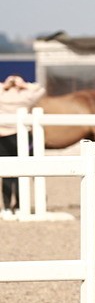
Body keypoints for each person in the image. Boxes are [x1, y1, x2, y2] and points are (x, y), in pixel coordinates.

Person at [1, 75, 46, 211]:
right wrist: (24, 85)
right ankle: (20, 205)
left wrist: (5, 85)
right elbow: (40, 89)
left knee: (6, 174)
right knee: (22, 171)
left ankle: (7, 206)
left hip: (3, 136)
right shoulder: (25, 97)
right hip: (22, 136)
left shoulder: (2, 96)